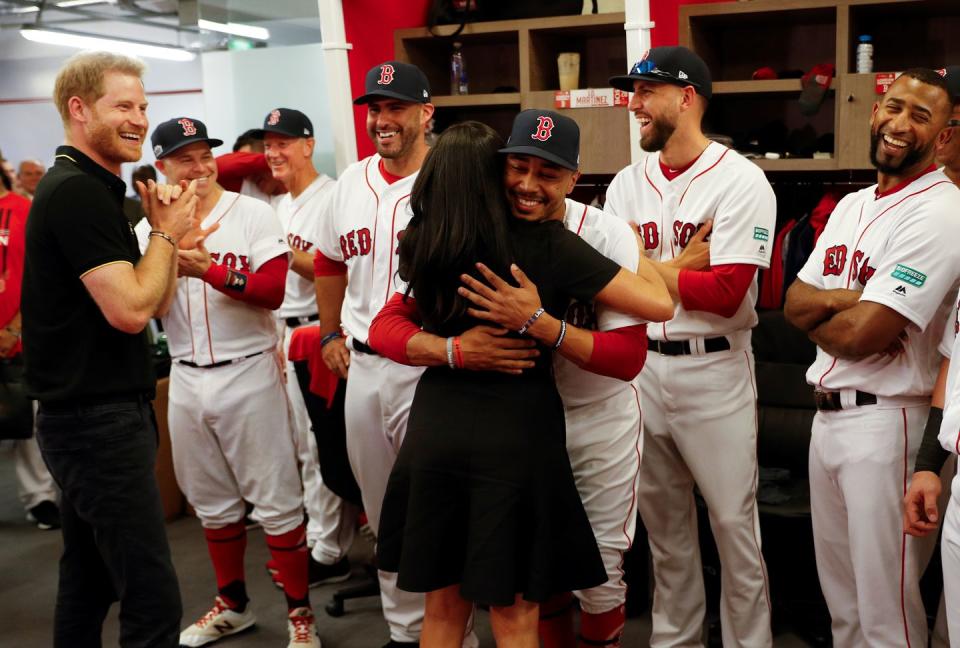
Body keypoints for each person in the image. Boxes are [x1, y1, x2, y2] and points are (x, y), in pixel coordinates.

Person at [369, 109, 695, 648]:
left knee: (447, 607)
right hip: (517, 431)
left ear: (573, 177)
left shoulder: (423, 238)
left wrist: (525, 327)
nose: (525, 185)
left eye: (546, 173)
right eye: (515, 168)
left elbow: (630, 355)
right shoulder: (540, 242)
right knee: (516, 606)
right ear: (494, 173)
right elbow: (660, 303)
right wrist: (463, 347)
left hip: (454, 424)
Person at [21, 50, 197, 647]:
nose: (140, 120)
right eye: (122, 105)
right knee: (151, 597)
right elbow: (130, 310)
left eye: (143, 106)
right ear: (79, 109)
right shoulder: (77, 193)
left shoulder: (96, 187)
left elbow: (155, 299)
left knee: (90, 580)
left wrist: (169, 243)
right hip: (94, 422)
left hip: (98, 415)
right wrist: (167, 234)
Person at [603, 46, 776, 648]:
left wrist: (646, 267)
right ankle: (675, 641)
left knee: (733, 527)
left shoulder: (742, 180)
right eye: (634, 92)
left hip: (715, 371)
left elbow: (726, 294)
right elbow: (614, 285)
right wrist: (677, 265)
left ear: (686, 97)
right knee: (665, 530)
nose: (635, 103)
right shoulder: (626, 183)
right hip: (643, 368)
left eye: (646, 91)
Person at [784, 67, 960, 647]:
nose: (899, 123)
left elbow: (865, 334)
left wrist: (832, 315)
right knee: (844, 609)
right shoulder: (851, 204)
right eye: (894, 107)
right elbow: (791, 304)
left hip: (890, 422)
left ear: (942, 138)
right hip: (827, 418)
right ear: (873, 111)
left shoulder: (942, 210)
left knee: (888, 615)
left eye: (920, 116)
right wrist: (844, 300)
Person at [134, 116, 320, 648]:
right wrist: (170, 258)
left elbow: (273, 292)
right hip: (187, 377)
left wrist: (210, 269)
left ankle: (300, 614)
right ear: (163, 165)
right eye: (185, 157)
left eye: (205, 154)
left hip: (250, 370)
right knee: (211, 503)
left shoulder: (254, 212)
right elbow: (153, 306)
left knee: (279, 501)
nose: (200, 166)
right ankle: (232, 604)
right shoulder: (149, 228)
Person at [312, 60, 439, 647]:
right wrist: (330, 332)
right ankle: (404, 628)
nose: (382, 120)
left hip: (429, 368)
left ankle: (447, 630)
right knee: (381, 506)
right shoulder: (350, 183)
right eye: (374, 109)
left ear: (424, 113)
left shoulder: (449, 177)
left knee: (435, 507)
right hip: (363, 363)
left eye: (395, 107)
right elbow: (330, 261)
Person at [259, 106, 355, 589]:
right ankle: (322, 538)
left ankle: (328, 548)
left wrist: (278, 254)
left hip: (322, 331)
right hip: (285, 331)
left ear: (308, 145)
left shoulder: (333, 196)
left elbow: (332, 269)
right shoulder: (279, 205)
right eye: (268, 144)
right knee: (302, 444)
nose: (274, 152)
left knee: (323, 445)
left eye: (283, 142)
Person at [0, 164, 59, 531]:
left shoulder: (23, 209)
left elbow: (39, 272)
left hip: (18, 333)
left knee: (24, 418)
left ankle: (39, 498)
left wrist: (13, 328)